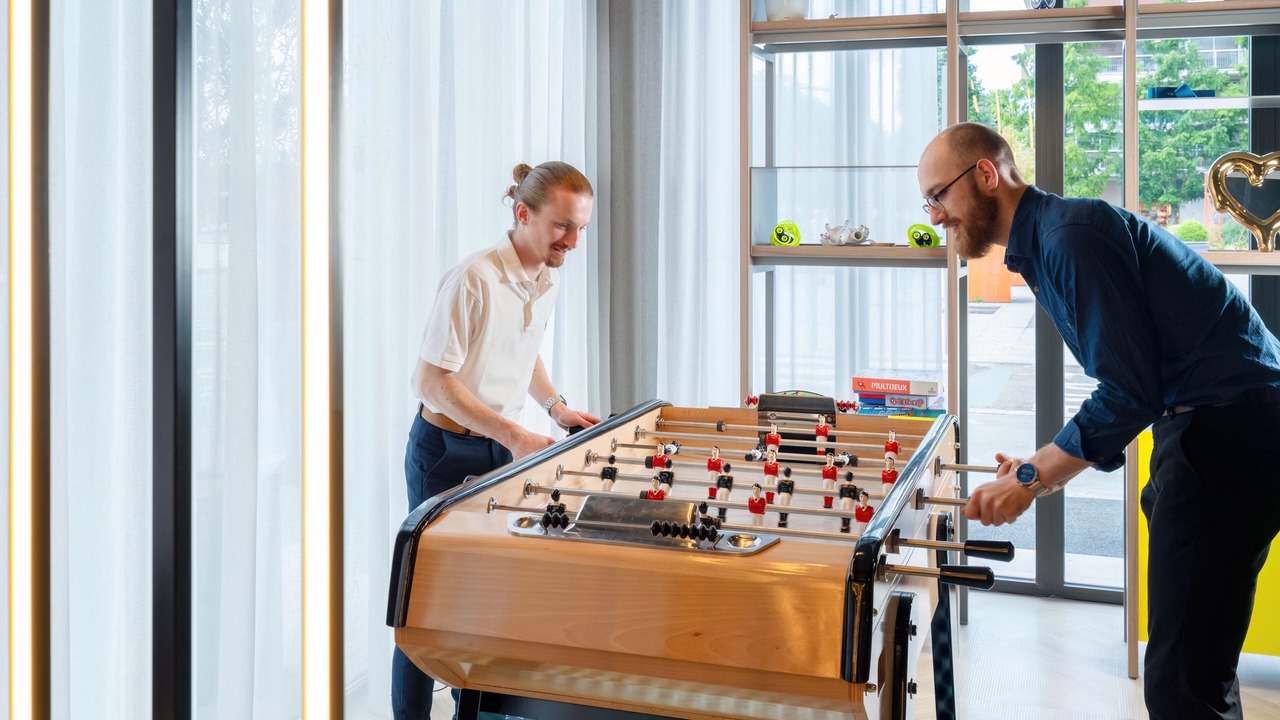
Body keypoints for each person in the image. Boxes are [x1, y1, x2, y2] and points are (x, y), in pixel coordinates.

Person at [917, 122, 1280, 720]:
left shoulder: (1069, 237)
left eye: (938, 196)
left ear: (985, 174)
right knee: (1192, 663)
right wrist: (1038, 466)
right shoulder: (1049, 241)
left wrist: (1031, 480)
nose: (934, 215)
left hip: (1230, 431)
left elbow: (1128, 389)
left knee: (1182, 685)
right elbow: (1134, 382)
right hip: (1207, 426)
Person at [394, 161, 602, 720]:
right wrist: (514, 433)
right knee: (426, 605)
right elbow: (432, 381)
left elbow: (523, 347)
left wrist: (555, 407)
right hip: (445, 451)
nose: (573, 242)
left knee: (484, 600)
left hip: (502, 449)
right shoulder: (474, 278)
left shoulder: (546, 276)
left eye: (581, 228)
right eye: (563, 226)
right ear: (522, 214)